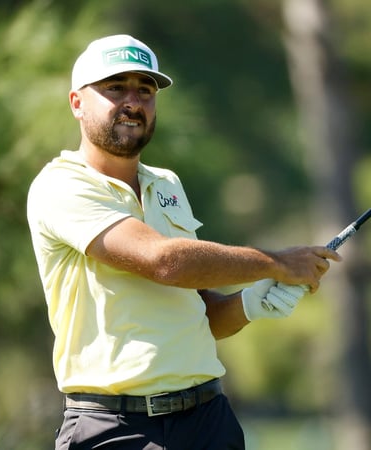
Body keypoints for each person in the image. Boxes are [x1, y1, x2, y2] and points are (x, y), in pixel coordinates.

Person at [26, 34, 341, 450]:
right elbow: (164, 262)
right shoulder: (61, 185)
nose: (133, 102)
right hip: (114, 429)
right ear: (77, 102)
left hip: (208, 421)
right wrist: (275, 262)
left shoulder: (167, 184)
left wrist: (251, 303)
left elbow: (198, 314)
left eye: (145, 90)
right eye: (115, 87)